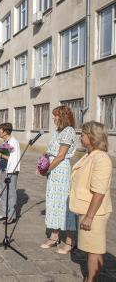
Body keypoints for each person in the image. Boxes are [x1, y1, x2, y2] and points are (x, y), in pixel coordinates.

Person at [69, 121, 112, 282]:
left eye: (83, 134)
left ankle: (91, 279)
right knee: (91, 249)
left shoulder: (101, 159)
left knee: (94, 250)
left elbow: (99, 192)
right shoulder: (90, 155)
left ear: (93, 137)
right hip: (87, 209)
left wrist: (89, 216)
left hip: (94, 213)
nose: (80, 137)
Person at [40, 105, 77, 253]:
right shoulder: (57, 131)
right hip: (54, 171)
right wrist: (43, 159)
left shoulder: (69, 131)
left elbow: (61, 155)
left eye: (56, 115)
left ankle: (70, 241)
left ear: (63, 116)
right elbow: (51, 150)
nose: (54, 118)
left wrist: (47, 168)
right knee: (53, 204)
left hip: (60, 170)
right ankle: (54, 237)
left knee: (64, 205)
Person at [0, 123, 21, 225]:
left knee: (11, 194)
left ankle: (12, 216)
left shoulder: (13, 142)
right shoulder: (6, 141)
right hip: (4, 169)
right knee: (4, 192)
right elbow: (5, 155)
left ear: (5, 131)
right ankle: (4, 213)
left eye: (0, 129)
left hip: (11, 171)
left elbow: (12, 158)